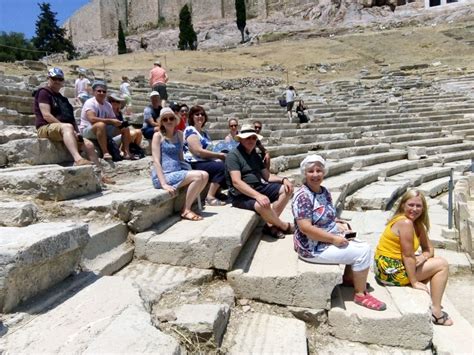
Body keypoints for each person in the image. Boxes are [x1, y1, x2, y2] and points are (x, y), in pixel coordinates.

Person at [292, 154, 386, 311]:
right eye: (310, 171)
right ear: (304, 173)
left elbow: (328, 216)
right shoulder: (303, 197)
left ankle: (350, 278)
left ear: (324, 172)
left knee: (360, 243)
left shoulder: (324, 191)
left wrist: (339, 224)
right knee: (363, 252)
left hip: (324, 238)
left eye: (318, 170)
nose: (315, 175)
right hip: (311, 247)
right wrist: (333, 239)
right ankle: (360, 295)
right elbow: (305, 228)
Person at [374, 189, 453, 325]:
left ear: (423, 208)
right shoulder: (405, 223)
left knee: (433, 266)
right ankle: (436, 312)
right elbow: (408, 255)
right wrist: (415, 282)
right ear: (403, 205)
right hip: (389, 270)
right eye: (411, 205)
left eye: (418, 206)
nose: (414, 209)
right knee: (442, 265)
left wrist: (422, 258)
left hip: (388, 266)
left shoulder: (417, 224)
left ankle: (434, 303)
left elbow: (429, 249)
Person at [34, 68, 113, 184]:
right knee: (67, 127)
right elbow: (46, 115)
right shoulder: (43, 92)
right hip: (45, 127)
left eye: (59, 79)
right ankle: (78, 159)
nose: (57, 81)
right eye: (54, 78)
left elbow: (71, 119)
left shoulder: (63, 99)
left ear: (62, 81)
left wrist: (77, 132)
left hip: (64, 129)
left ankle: (101, 175)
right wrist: (67, 127)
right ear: (48, 79)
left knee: (89, 145)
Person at [226, 124, 294, 239]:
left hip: (258, 186)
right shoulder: (233, 155)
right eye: (248, 137)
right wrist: (258, 196)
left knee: (287, 189)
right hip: (240, 194)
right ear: (241, 139)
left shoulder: (254, 155)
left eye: (253, 137)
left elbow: (267, 176)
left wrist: (284, 179)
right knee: (262, 205)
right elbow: (236, 182)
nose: (251, 140)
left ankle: (270, 225)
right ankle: (283, 226)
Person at [151, 107, 208, 221]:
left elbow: (181, 157)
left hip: (177, 171)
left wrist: (188, 170)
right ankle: (186, 210)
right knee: (198, 176)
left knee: (205, 175)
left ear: (175, 120)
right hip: (164, 175)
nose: (168, 121)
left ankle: (187, 206)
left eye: (171, 118)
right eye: (165, 119)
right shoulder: (158, 136)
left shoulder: (180, 135)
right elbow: (156, 161)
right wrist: (163, 184)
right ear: (161, 122)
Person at [183, 105, 227, 206]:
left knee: (228, 163)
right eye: (197, 114)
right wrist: (219, 156)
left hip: (204, 161)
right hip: (194, 162)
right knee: (221, 166)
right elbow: (198, 151)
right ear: (192, 117)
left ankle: (217, 192)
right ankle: (210, 197)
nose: (200, 116)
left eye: (202, 114)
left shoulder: (204, 133)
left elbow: (210, 150)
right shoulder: (190, 130)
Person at [79, 80, 134, 160]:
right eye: (99, 91)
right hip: (88, 129)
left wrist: (119, 123)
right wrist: (111, 121)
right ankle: (105, 152)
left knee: (125, 128)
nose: (101, 93)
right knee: (100, 125)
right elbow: (92, 119)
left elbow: (113, 119)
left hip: (103, 128)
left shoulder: (107, 105)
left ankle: (126, 152)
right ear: (94, 92)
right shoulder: (90, 102)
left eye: (104, 91)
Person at [108, 92, 143, 158]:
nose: (115, 103)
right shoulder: (108, 112)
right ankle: (123, 150)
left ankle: (134, 149)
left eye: (117, 102)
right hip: (113, 136)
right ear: (110, 102)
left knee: (139, 131)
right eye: (113, 101)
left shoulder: (119, 113)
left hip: (121, 133)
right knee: (132, 133)